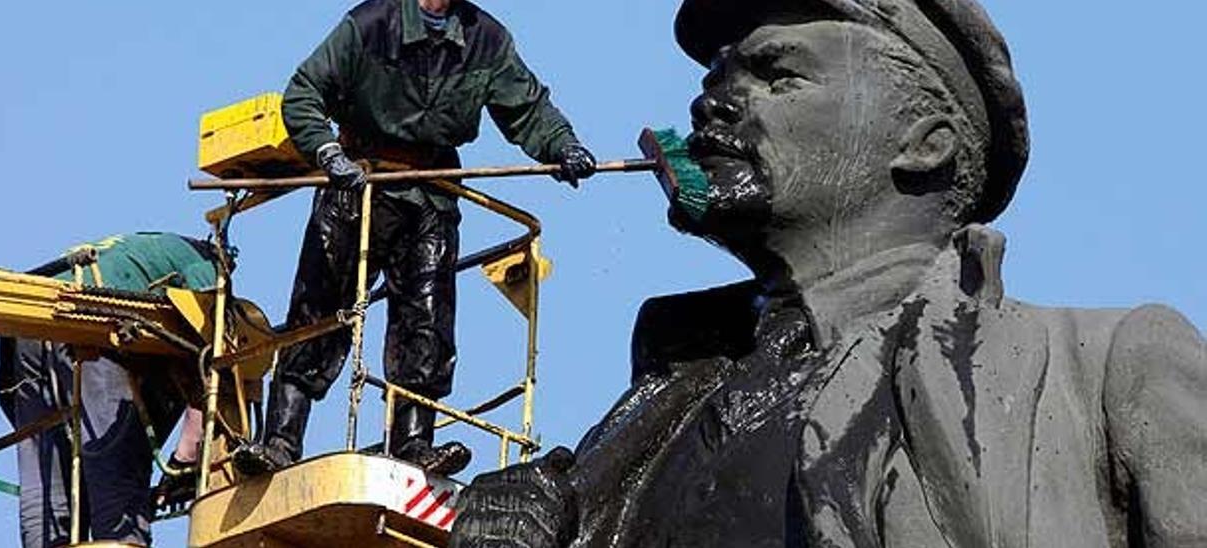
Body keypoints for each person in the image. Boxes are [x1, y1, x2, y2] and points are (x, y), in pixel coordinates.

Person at [449, 0, 1207, 545]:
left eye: (775, 76)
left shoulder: (1106, 372)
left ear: (924, 143)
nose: (713, 102)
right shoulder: (646, 417)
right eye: (718, 74)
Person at [234, 0, 597, 478]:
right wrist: (327, 153)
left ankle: (412, 444)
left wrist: (562, 145)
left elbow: (528, 109)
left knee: (426, 324)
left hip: (432, 195)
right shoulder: (370, 24)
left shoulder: (486, 38)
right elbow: (303, 94)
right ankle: (280, 440)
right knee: (320, 314)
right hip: (358, 182)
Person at [0, 232, 221, 547]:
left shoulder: (136, 250)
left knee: (47, 486)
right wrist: (186, 459)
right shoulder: (207, 264)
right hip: (92, 323)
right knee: (115, 480)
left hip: (29, 325)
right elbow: (214, 360)